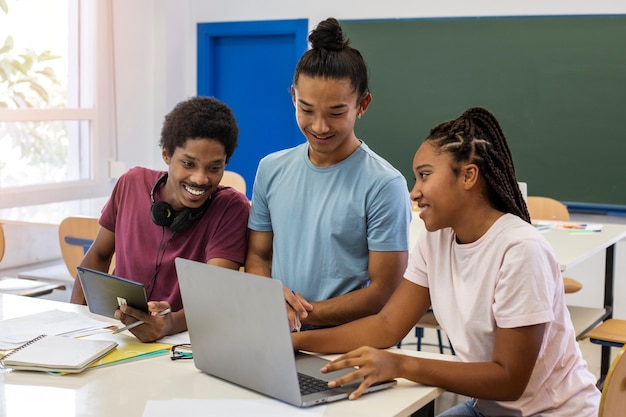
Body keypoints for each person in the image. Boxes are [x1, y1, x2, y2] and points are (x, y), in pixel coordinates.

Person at [292, 107, 600, 416]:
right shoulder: (436, 238)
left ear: (468, 175)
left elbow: (509, 380)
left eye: (424, 175)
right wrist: (296, 341)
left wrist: (401, 364)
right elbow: (387, 325)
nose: (415, 192)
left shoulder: (521, 250)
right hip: (489, 409)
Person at [246, 17, 411, 331]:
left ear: (362, 105)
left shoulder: (384, 185)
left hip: (345, 343)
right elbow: (257, 255)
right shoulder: (271, 169)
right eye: (306, 109)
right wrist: (270, 299)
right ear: (293, 96)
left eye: (336, 112)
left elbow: (383, 291)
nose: (319, 127)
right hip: (277, 333)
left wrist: (297, 315)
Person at [70, 96, 250, 343]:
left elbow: (214, 295)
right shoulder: (130, 184)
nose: (200, 179)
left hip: (184, 342)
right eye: (188, 163)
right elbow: (99, 256)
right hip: (118, 335)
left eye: (214, 168)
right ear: (166, 154)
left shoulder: (232, 208)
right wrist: (74, 321)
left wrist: (170, 324)